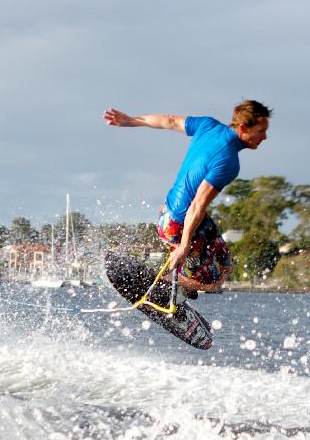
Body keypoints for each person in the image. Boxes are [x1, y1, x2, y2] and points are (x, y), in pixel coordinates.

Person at [102, 100, 271, 299]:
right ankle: (161, 284)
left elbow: (170, 121)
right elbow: (197, 205)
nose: (265, 137)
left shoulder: (208, 125)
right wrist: (184, 245)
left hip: (168, 214)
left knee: (225, 264)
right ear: (243, 128)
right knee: (213, 283)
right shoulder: (228, 162)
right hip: (177, 225)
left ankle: (183, 286)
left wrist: (132, 120)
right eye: (260, 131)